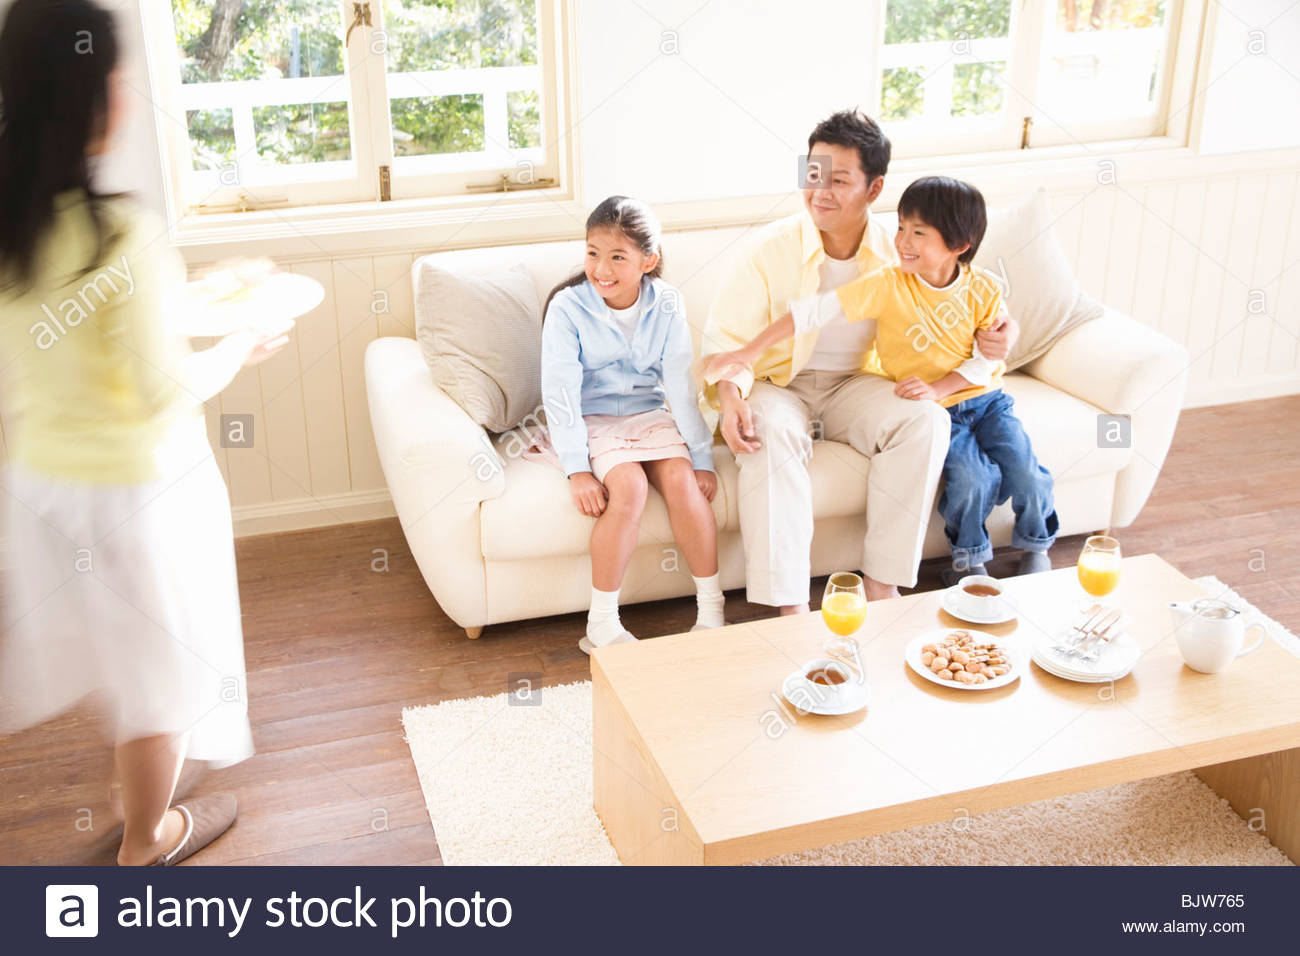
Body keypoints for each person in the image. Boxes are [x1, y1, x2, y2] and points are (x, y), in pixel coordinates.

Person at [0, 0, 290, 865]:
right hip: (136, 494)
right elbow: (163, 391)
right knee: (161, 683)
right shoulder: (120, 232)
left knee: (119, 662)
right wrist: (239, 345)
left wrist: (183, 292)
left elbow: (71, 335)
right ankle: (146, 844)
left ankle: (140, 799)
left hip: (40, 485)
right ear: (98, 95)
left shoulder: (17, 224)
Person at [700, 110, 1018, 612]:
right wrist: (730, 395)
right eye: (813, 176)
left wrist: (998, 337)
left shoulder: (904, 250)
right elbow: (727, 342)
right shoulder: (768, 250)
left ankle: (883, 584)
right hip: (776, 385)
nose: (819, 192)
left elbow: (964, 304)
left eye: (839, 180)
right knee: (771, 432)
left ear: (874, 190)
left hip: (855, 385)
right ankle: (789, 606)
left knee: (925, 420)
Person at [531, 196, 722, 653]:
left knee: (681, 482)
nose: (602, 268)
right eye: (593, 253)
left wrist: (701, 456)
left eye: (618, 256)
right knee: (630, 488)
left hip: (648, 413)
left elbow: (679, 383)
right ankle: (601, 624)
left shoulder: (668, 303)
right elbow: (559, 393)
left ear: (648, 261)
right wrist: (577, 468)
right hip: (590, 418)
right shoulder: (567, 308)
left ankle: (712, 612)